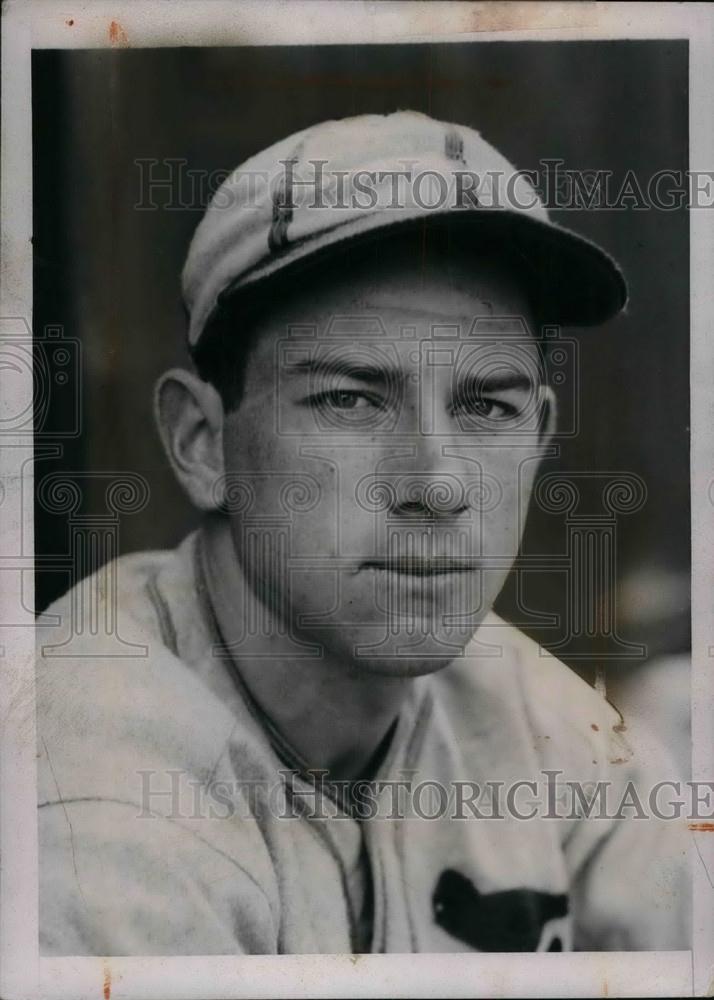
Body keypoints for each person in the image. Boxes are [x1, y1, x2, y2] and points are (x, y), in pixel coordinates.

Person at [36, 111, 689, 955]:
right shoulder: (88, 796)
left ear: (540, 433)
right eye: (350, 399)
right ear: (203, 444)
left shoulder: (543, 728)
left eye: (488, 406)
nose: (437, 483)